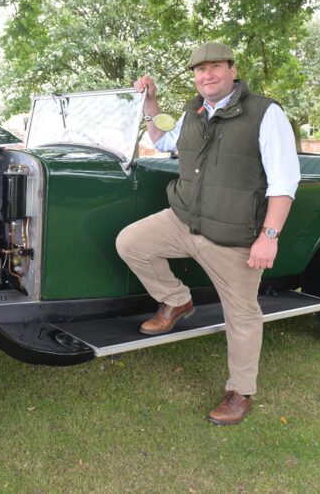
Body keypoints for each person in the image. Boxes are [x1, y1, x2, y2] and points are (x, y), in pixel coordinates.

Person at [115, 42, 300, 426]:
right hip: (184, 219)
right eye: (199, 71)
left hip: (233, 236)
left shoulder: (266, 113)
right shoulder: (192, 111)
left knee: (243, 315)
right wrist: (151, 103)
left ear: (233, 69)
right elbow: (163, 142)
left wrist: (270, 235)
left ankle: (241, 391)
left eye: (214, 67)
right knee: (130, 242)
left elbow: (284, 181)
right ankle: (177, 300)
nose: (206, 75)